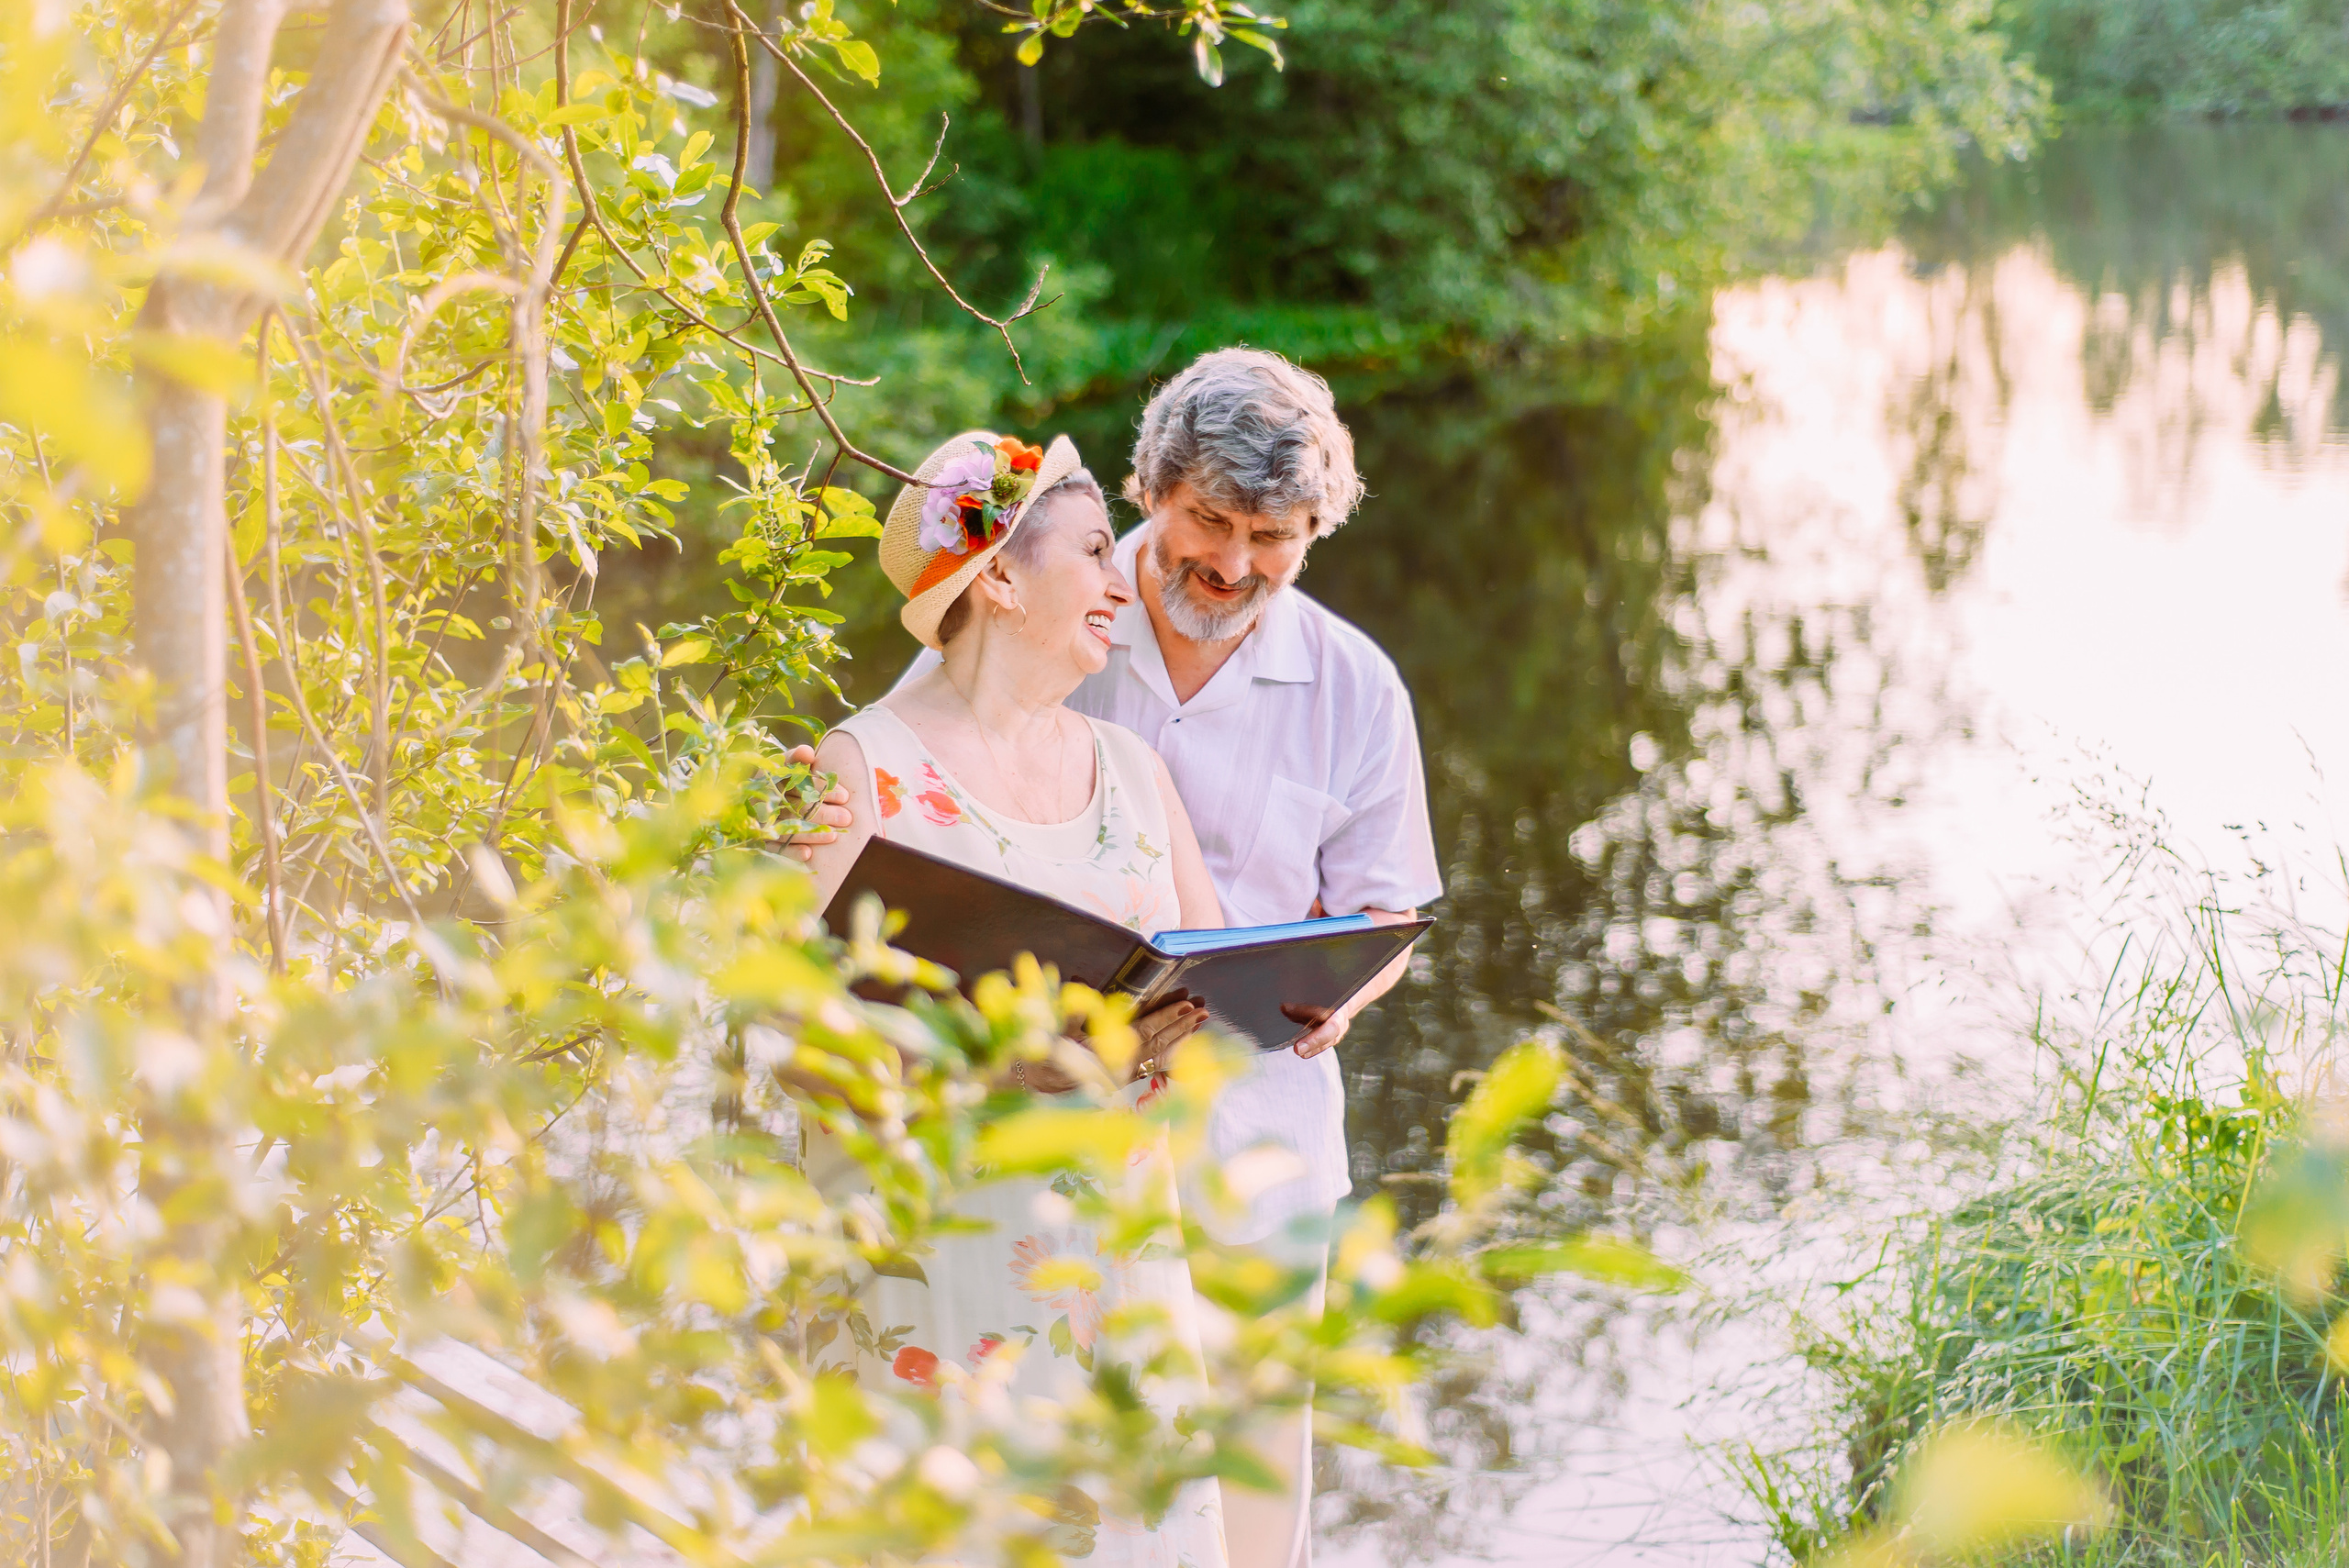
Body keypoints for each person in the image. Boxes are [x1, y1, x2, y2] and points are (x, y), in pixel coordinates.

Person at [883, 350, 1444, 1568]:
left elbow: (1386, 905)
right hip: (1061, 1123)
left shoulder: (1355, 685)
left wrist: (1346, 992)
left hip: (1260, 1124)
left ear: (1315, 532)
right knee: (1066, 1448)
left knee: (1251, 1459)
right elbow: (907, 781)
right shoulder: (1048, 602)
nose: (1233, 563)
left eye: (1274, 536)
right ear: (1151, 491)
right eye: (1209, 520)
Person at [799, 428, 1229, 1568]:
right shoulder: (863, 771)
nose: (1117, 583)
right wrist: (1010, 1065)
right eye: (1094, 552)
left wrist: (1179, 1030)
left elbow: (1212, 965)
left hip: (1115, 1264)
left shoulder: (1133, 772)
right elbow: (796, 1052)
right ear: (997, 576)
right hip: (939, 1282)